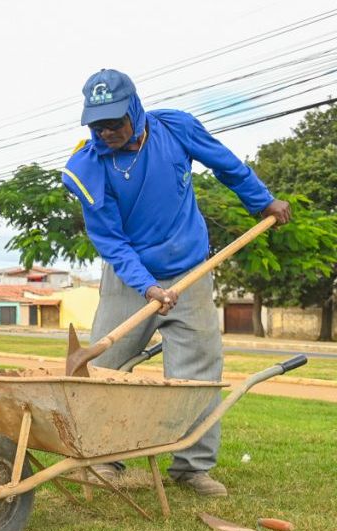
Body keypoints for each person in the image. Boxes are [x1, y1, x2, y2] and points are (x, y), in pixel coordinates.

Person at [61, 69, 290, 497]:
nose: (106, 132)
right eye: (97, 124)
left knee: (198, 370)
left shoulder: (176, 128)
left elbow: (226, 165)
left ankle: (191, 467)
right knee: (106, 368)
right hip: (130, 278)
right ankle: (103, 459)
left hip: (190, 271)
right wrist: (147, 286)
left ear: (134, 109)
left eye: (114, 121)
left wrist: (263, 201)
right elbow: (111, 241)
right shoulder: (87, 168)